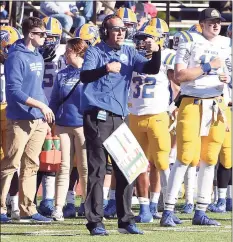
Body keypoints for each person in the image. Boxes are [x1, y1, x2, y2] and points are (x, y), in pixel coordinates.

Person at [80, 14, 161, 235]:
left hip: (119, 117)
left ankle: (125, 220)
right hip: (97, 115)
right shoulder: (96, 51)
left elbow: (151, 69)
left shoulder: (128, 51)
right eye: (115, 29)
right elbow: (85, 76)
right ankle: (95, 221)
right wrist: (105, 68)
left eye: (123, 29)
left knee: (127, 168)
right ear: (105, 31)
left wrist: (157, 51)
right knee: (97, 170)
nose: (120, 33)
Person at [160, 8, 231, 227]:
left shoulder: (225, 44)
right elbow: (180, 76)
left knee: (210, 158)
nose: (216, 25)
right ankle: (168, 210)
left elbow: (228, 75)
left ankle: (201, 210)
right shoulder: (189, 38)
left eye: (218, 21)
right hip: (192, 102)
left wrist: (225, 77)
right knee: (184, 157)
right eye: (211, 21)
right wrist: (209, 67)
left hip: (216, 104)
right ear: (201, 23)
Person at [0, 17, 55, 223]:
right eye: (41, 34)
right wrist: (41, 105)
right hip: (20, 119)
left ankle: (28, 209)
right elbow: (14, 91)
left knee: (31, 165)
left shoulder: (38, 57)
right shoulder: (16, 57)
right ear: (30, 34)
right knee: (10, 163)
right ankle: (1, 208)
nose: (45, 37)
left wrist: (44, 111)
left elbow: (37, 88)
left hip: (38, 119)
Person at [49, 38, 88, 221]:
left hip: (83, 124)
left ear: (77, 51)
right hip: (64, 124)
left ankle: (88, 205)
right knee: (63, 166)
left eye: (68, 51)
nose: (65, 55)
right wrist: (51, 118)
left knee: (85, 168)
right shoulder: (62, 74)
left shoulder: (89, 72)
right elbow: (55, 98)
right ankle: (58, 207)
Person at [34, 16, 66, 217]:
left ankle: (47, 199)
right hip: (35, 110)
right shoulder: (32, 53)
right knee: (32, 159)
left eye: (53, 37)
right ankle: (24, 199)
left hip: (55, 111)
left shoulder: (63, 54)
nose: (49, 41)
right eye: (46, 36)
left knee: (52, 158)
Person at [0, 26, 21, 221]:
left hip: (11, 112)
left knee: (12, 160)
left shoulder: (17, 61)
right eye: (7, 46)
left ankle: (13, 203)